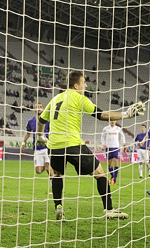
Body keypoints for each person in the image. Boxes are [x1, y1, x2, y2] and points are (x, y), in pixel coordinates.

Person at [38, 70, 144, 221]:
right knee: (101, 173)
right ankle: (108, 209)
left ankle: (58, 206)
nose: (86, 86)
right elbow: (102, 115)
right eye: (84, 83)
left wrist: (41, 136)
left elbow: (41, 120)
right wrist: (126, 114)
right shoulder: (79, 98)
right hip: (73, 144)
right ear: (76, 85)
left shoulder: (55, 99)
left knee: (57, 175)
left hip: (54, 146)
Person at [21, 103, 51, 176]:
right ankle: (48, 166)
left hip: (47, 147)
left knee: (48, 167)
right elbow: (28, 133)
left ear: (43, 108)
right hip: (37, 148)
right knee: (38, 171)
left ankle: (54, 184)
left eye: (40, 107)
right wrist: (23, 143)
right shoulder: (31, 121)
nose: (39, 108)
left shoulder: (48, 120)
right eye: (37, 107)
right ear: (34, 109)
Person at [100, 119, 126, 185]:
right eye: (111, 120)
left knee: (116, 163)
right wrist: (103, 144)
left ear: (116, 121)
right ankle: (113, 176)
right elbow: (102, 136)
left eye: (114, 120)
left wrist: (124, 143)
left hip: (116, 147)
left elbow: (122, 135)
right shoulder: (105, 128)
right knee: (109, 164)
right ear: (109, 121)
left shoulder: (118, 128)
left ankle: (114, 179)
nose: (112, 121)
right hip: (108, 147)